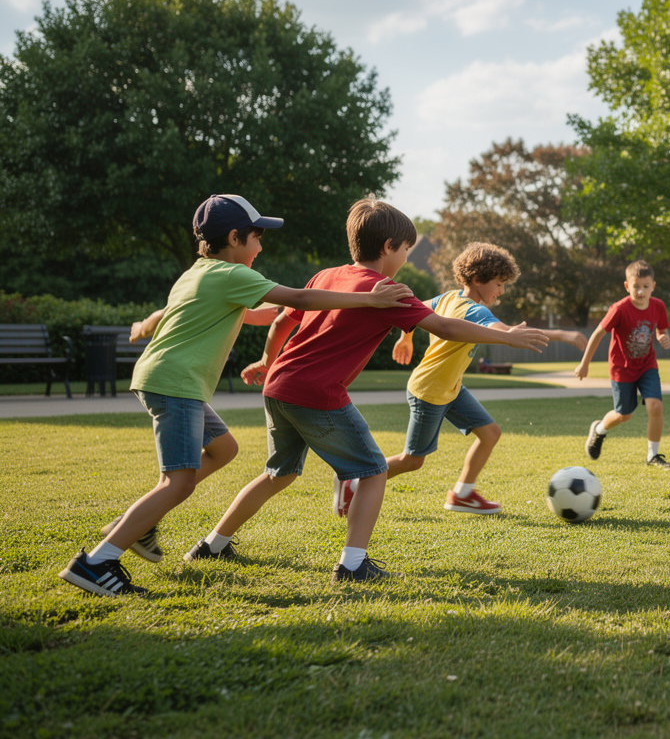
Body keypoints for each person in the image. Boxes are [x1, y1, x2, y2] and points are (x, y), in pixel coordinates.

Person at [58, 194, 415, 596]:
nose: (261, 247)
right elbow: (297, 299)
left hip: (167, 381)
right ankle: (96, 563)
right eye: (257, 237)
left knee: (224, 449)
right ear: (234, 237)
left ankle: (139, 524)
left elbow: (264, 315)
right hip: (175, 386)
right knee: (177, 483)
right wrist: (371, 299)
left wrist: (145, 323)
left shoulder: (198, 273)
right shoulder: (232, 276)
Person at [185, 199, 548, 583]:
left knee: (279, 473)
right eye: (407, 249)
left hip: (279, 386)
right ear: (390, 246)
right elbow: (445, 327)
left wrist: (265, 361)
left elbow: (281, 322)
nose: (407, 257)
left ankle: (213, 544)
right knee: (374, 471)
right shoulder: (387, 291)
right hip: (317, 392)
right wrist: (508, 338)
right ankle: (353, 564)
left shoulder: (325, 276)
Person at [334, 242, 587, 517]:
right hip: (429, 391)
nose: (502, 291)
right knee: (413, 460)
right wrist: (564, 334)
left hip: (450, 388)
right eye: (499, 283)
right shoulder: (475, 311)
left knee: (490, 433)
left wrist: (405, 336)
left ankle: (462, 493)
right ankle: (354, 481)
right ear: (477, 279)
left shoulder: (447, 298)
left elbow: (415, 309)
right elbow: (506, 331)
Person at [574, 260, 670, 468]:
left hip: (647, 365)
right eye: (636, 286)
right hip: (622, 369)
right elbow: (598, 333)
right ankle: (599, 430)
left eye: (645, 286)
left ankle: (653, 456)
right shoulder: (619, 309)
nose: (640, 291)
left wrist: (664, 337)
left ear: (653, 286)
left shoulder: (658, 306)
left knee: (655, 406)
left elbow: (661, 330)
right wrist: (585, 363)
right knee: (623, 415)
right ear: (627, 286)